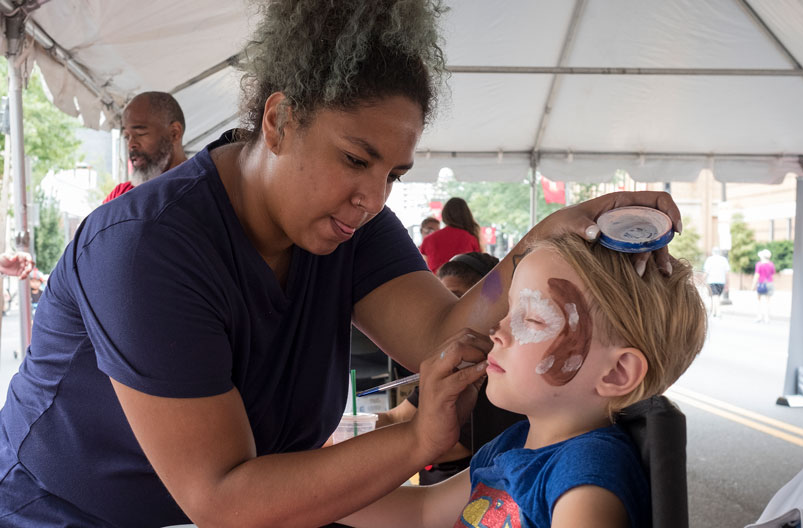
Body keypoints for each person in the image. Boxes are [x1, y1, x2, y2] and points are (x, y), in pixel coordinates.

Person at [0, 1, 682, 526]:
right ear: (278, 121)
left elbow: (446, 335)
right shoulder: (148, 248)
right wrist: (418, 439)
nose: (373, 198)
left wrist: (541, 239)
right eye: (356, 160)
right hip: (66, 511)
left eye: (393, 172)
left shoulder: (350, 225)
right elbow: (223, 497)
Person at [341, 234, 708, 528]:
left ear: (617, 373)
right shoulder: (514, 446)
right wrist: (302, 499)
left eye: (531, 320)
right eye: (508, 310)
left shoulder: (587, 477)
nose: (496, 331)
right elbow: (423, 511)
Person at [377, 252, 524, 486]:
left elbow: (444, 449)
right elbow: (398, 416)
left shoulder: (492, 373)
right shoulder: (454, 365)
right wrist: (348, 426)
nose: (448, 319)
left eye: (456, 303)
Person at [103, 91, 187, 203]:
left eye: (140, 133)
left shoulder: (203, 192)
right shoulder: (120, 195)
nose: (131, 144)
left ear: (174, 133)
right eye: (127, 137)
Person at [419, 197, 481, 273]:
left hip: (435, 283)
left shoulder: (428, 240)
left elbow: (424, 268)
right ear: (467, 215)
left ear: (445, 215)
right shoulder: (471, 238)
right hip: (465, 284)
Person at [703, 246, 730, 317]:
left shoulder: (709, 259)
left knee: (715, 296)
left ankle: (717, 312)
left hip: (712, 280)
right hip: (721, 281)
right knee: (716, 296)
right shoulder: (724, 259)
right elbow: (727, 273)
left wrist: (702, 280)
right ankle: (714, 312)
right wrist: (727, 283)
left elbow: (706, 272)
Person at [753, 248, 776, 323]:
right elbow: (773, 273)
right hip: (769, 283)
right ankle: (767, 317)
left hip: (761, 283)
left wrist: (753, 285)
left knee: (759, 301)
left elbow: (757, 275)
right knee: (768, 301)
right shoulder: (771, 264)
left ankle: (759, 316)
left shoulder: (759, 264)